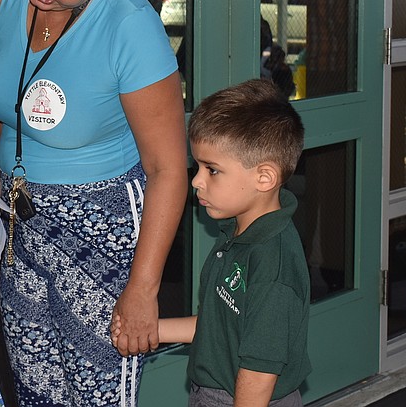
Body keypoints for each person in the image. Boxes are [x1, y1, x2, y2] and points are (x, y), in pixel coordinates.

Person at [0, 0, 189, 406]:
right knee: (33, 387)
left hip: (103, 230)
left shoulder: (130, 24)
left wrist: (143, 290)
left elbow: (168, 168)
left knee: (96, 392)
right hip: (19, 219)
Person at [113, 79, 310, 406]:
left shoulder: (272, 268)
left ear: (264, 177)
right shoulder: (239, 234)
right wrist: (152, 331)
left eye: (212, 170)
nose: (196, 181)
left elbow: (259, 375)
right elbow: (220, 328)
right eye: (198, 166)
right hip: (213, 392)